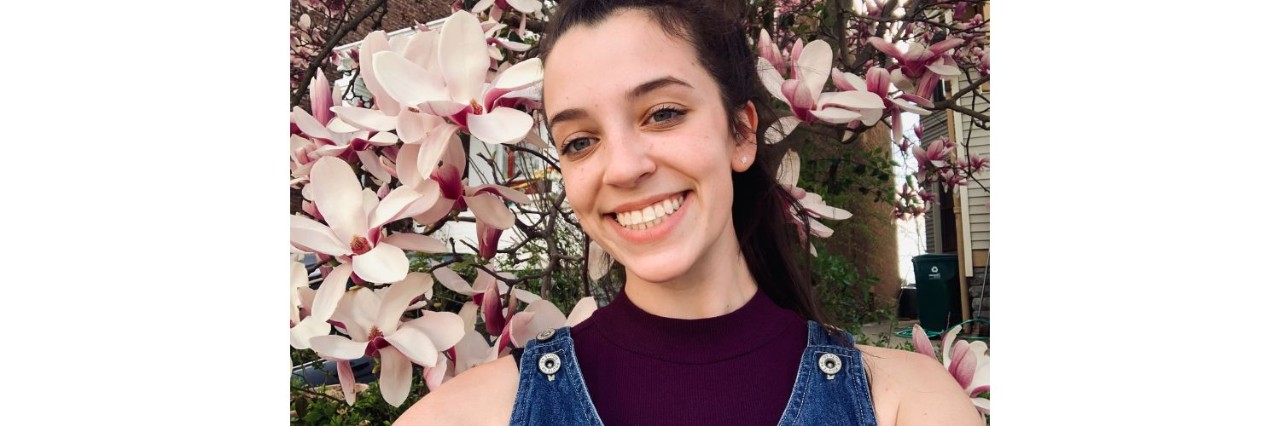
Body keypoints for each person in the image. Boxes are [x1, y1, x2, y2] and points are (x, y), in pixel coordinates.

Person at [398, 1, 982, 424]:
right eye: (579, 141)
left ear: (741, 134)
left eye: (663, 113)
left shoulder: (908, 404)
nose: (622, 168)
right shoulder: (464, 415)